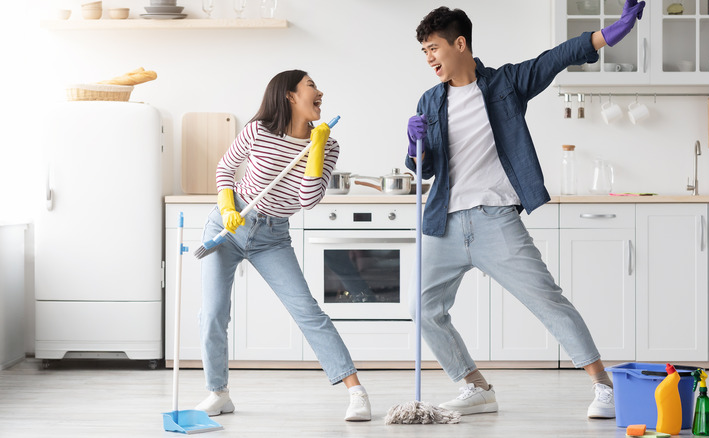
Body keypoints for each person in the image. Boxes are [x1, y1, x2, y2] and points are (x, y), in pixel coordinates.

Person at [404, 4, 645, 418]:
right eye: (424, 51)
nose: (429, 58)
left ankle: (603, 386)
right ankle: (476, 387)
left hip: (495, 219)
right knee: (422, 310)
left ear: (460, 44)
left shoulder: (505, 84)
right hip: (444, 222)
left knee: (547, 300)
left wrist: (605, 35)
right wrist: (413, 145)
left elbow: (555, 57)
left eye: (433, 48)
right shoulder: (430, 100)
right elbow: (422, 167)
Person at [195, 69, 371, 422]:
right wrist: (228, 206)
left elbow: (308, 199)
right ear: (290, 96)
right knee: (213, 314)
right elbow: (226, 169)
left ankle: (356, 392)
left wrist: (317, 146)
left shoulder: (328, 146)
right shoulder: (258, 130)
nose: (320, 92)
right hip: (227, 227)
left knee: (307, 311)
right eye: (311, 86)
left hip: (272, 238)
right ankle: (218, 393)